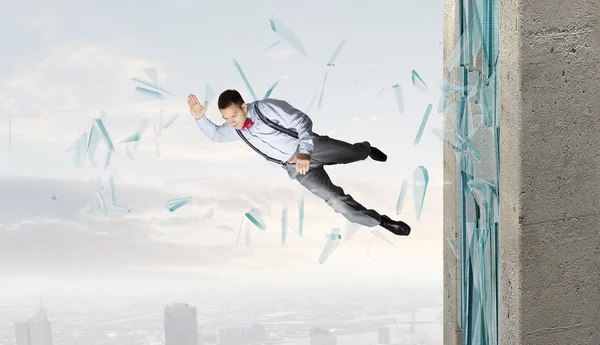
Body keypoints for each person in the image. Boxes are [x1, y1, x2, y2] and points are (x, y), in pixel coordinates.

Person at [187, 90, 411, 236]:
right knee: (336, 201)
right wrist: (199, 117)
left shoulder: (266, 108)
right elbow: (216, 135)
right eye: (226, 119)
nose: (231, 122)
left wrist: (305, 151)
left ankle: (366, 149)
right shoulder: (235, 129)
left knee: (351, 153)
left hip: (311, 148)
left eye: (233, 116)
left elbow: (302, 120)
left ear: (244, 106)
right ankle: (381, 221)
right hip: (295, 168)